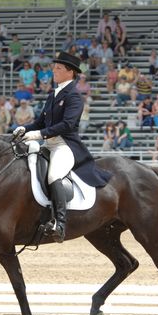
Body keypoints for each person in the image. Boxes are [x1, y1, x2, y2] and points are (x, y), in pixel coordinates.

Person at [13, 51, 111, 243]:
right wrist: (25, 129)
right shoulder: (53, 94)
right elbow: (41, 122)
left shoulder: (74, 96)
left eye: (58, 68)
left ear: (70, 72)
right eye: (54, 68)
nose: (54, 71)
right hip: (49, 145)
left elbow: (66, 125)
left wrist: (39, 134)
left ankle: (60, 223)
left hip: (65, 146)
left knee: (53, 175)